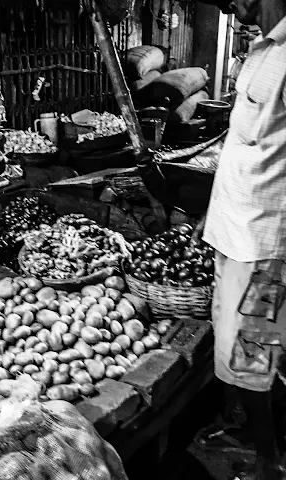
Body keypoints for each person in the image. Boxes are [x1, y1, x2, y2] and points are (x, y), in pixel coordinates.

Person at [194, 0, 286, 478]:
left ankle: (269, 462)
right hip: (233, 228)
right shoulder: (261, 50)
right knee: (232, 341)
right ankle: (244, 429)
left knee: (254, 352)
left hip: (263, 237)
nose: (234, 7)